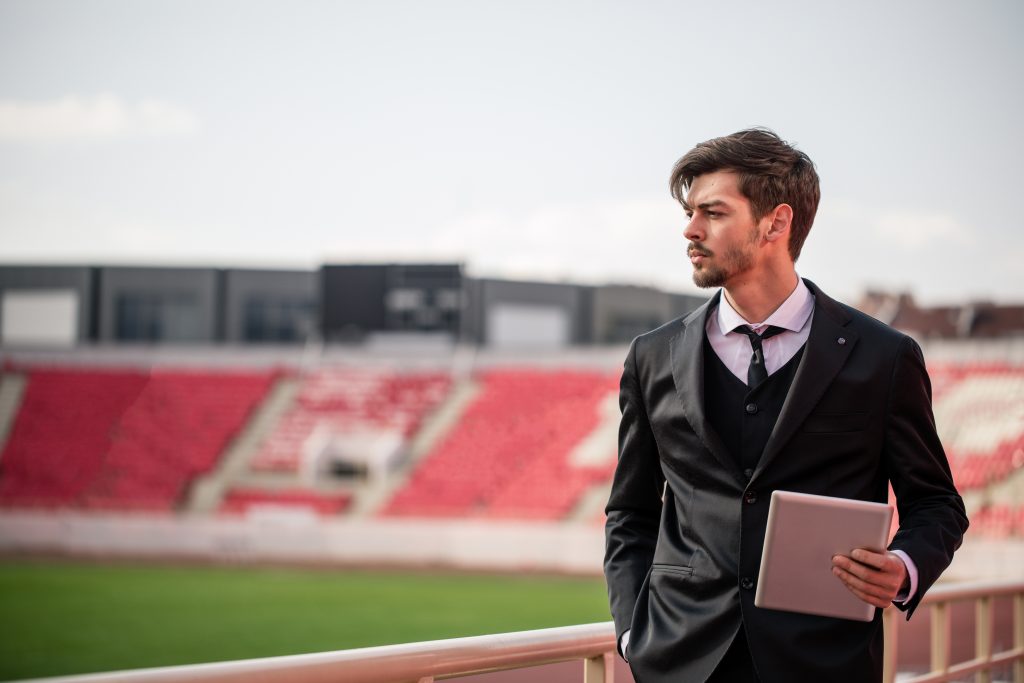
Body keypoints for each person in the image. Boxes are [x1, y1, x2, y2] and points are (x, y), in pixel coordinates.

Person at [603, 128, 968, 683]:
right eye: (689, 212)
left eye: (713, 213)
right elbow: (630, 512)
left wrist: (903, 567)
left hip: (824, 662)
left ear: (776, 223)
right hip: (677, 663)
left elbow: (937, 503)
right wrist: (633, 633)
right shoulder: (651, 356)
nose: (690, 230)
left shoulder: (884, 357)